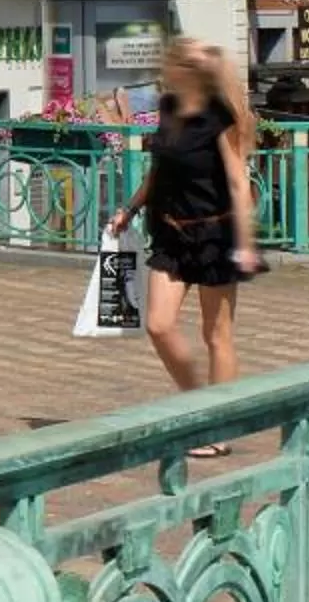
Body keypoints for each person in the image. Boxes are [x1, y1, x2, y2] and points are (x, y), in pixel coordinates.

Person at [106, 38, 261, 453]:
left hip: (215, 235)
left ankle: (218, 429)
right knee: (158, 323)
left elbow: (236, 181)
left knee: (217, 334)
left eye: (171, 65)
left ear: (189, 73)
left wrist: (245, 245)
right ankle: (197, 408)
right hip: (171, 233)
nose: (164, 71)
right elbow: (158, 169)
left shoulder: (221, 116)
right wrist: (130, 208)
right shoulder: (170, 109)